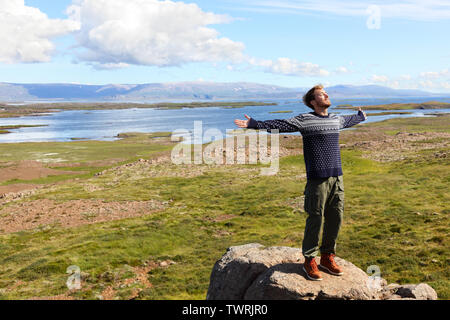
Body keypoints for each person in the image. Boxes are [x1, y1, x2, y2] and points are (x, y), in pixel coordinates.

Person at [234, 84, 367, 281]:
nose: (326, 96)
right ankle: (309, 260)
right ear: (313, 102)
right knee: (315, 218)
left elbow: (349, 120)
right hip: (317, 179)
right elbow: (282, 124)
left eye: (325, 93)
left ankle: (327, 257)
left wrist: (360, 116)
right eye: (322, 95)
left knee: (335, 218)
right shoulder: (305, 119)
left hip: (337, 178)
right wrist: (255, 124)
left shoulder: (335, 119)